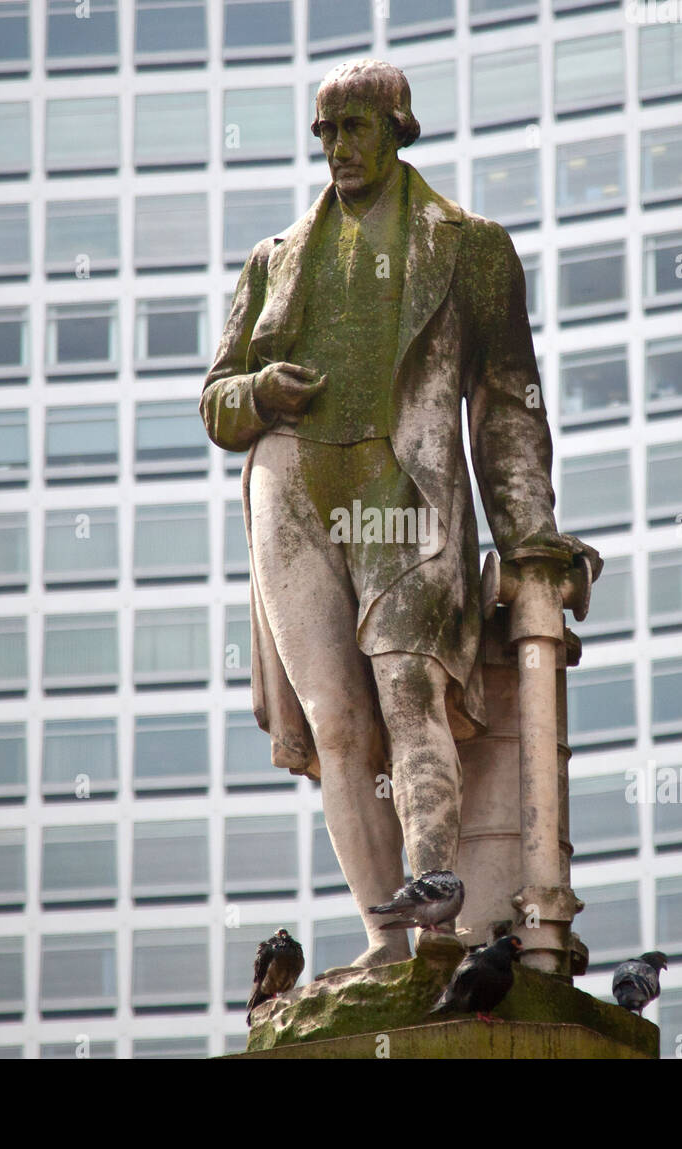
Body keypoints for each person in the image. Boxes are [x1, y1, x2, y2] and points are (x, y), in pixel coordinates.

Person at [200, 58, 598, 969]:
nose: (340, 148)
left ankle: (437, 927)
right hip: (292, 487)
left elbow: (506, 403)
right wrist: (260, 390)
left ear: (397, 128)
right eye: (326, 133)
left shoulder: (468, 248)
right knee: (337, 722)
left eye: (356, 129)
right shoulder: (275, 261)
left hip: (405, 495)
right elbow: (217, 401)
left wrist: (527, 533)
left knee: (409, 692)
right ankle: (388, 941)